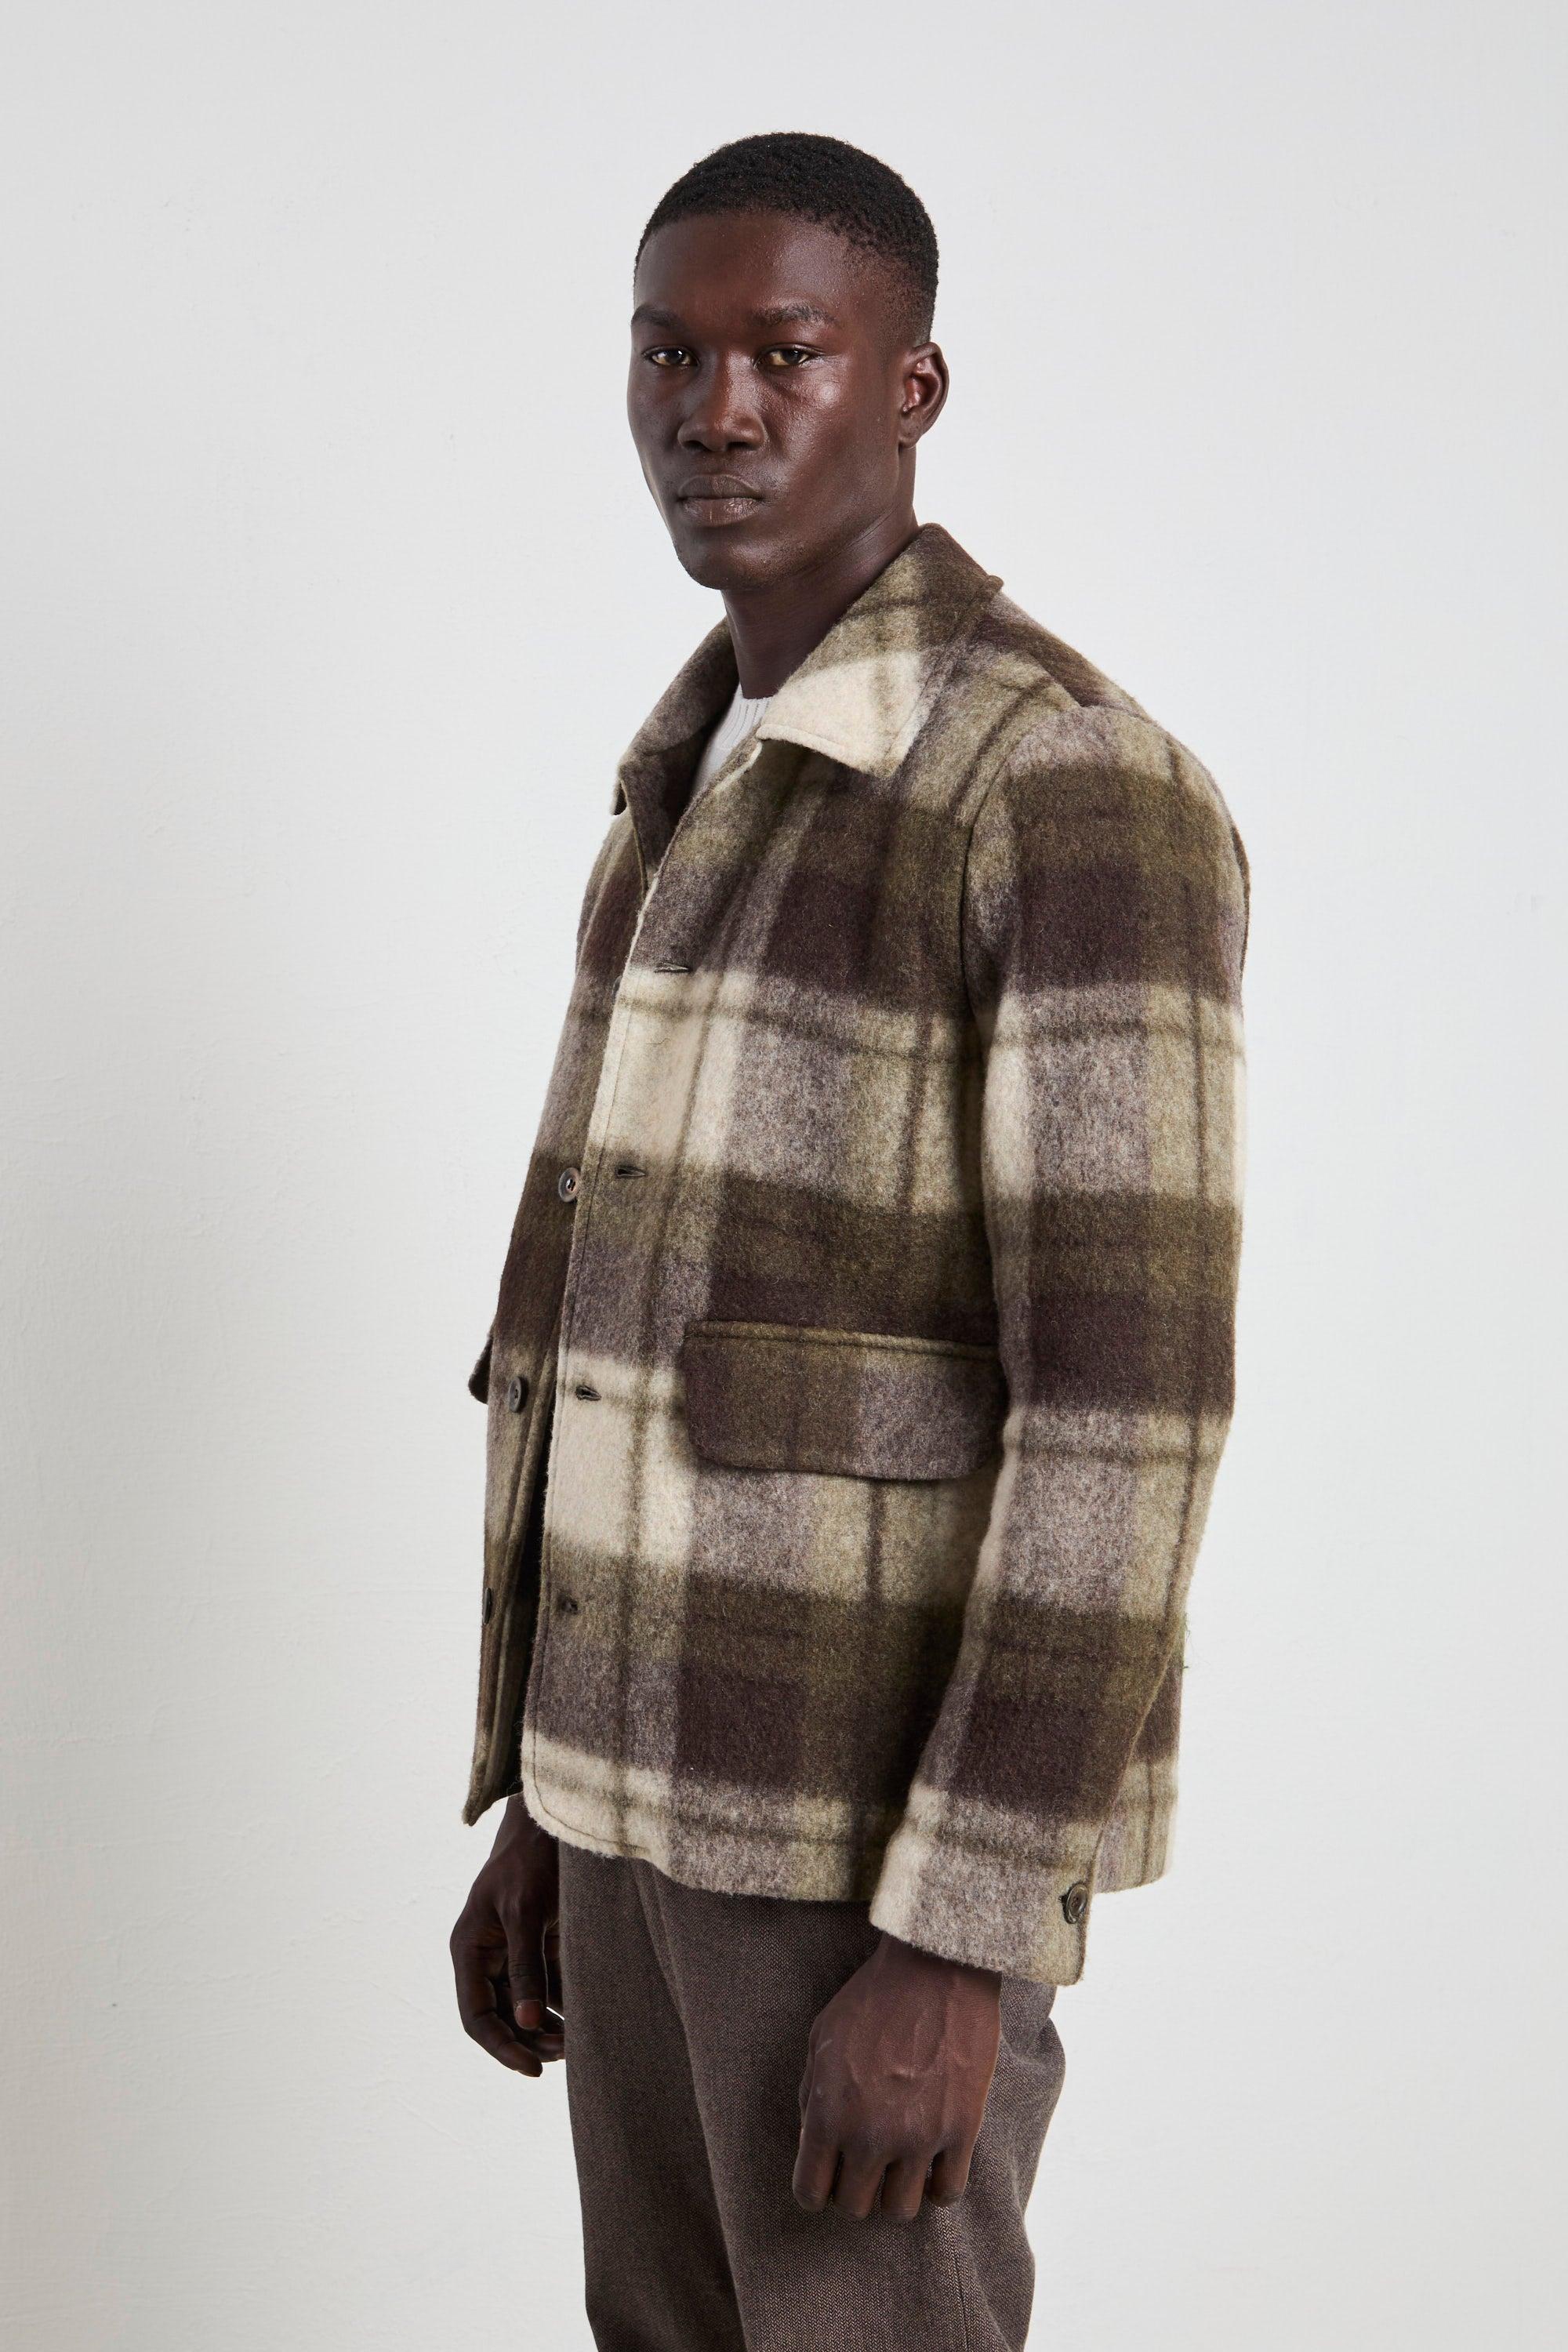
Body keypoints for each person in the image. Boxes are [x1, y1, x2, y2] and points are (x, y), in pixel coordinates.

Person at [450, 130, 1248, 2352]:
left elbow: (1127, 1418)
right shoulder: (688, 774)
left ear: (910, 387)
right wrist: (545, 1804)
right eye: (670, 357)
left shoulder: (1062, 784)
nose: (716, 413)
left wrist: (957, 1935)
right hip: (636, 1814)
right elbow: (607, 1321)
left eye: (782, 356)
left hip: (863, 1862)